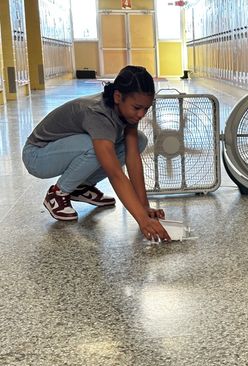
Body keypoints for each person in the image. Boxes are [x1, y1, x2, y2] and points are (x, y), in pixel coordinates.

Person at [22, 65, 170, 241]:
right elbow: (115, 173)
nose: (141, 114)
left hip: (64, 150)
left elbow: (132, 158)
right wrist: (142, 220)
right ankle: (57, 194)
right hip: (38, 156)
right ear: (117, 97)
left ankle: (80, 187)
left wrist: (144, 206)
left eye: (146, 109)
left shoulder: (127, 112)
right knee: (96, 147)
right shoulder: (98, 114)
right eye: (137, 108)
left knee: (138, 140)